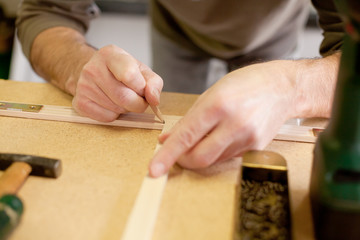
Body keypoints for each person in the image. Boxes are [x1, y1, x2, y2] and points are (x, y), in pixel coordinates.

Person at [16, 0, 344, 177]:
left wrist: (289, 86)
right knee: (178, 116)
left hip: (273, 34)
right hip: (175, 31)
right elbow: (45, 11)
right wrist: (76, 65)